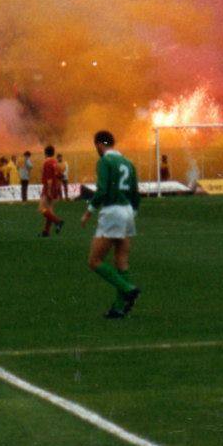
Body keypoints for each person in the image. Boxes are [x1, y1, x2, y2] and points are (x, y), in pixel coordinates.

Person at [81, 130, 142, 317]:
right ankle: (118, 309)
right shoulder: (128, 163)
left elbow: (102, 190)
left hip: (112, 211)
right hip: (128, 212)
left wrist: (89, 211)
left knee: (94, 261)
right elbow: (135, 193)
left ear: (100, 144)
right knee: (121, 261)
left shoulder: (105, 161)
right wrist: (132, 213)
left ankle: (128, 288)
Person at [37, 145, 66, 237]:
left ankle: (57, 221)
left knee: (42, 208)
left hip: (48, 188)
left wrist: (49, 190)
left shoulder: (47, 163)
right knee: (49, 209)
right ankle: (46, 231)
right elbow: (61, 176)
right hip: (55, 188)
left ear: (45, 153)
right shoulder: (56, 162)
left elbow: (49, 179)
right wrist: (57, 187)